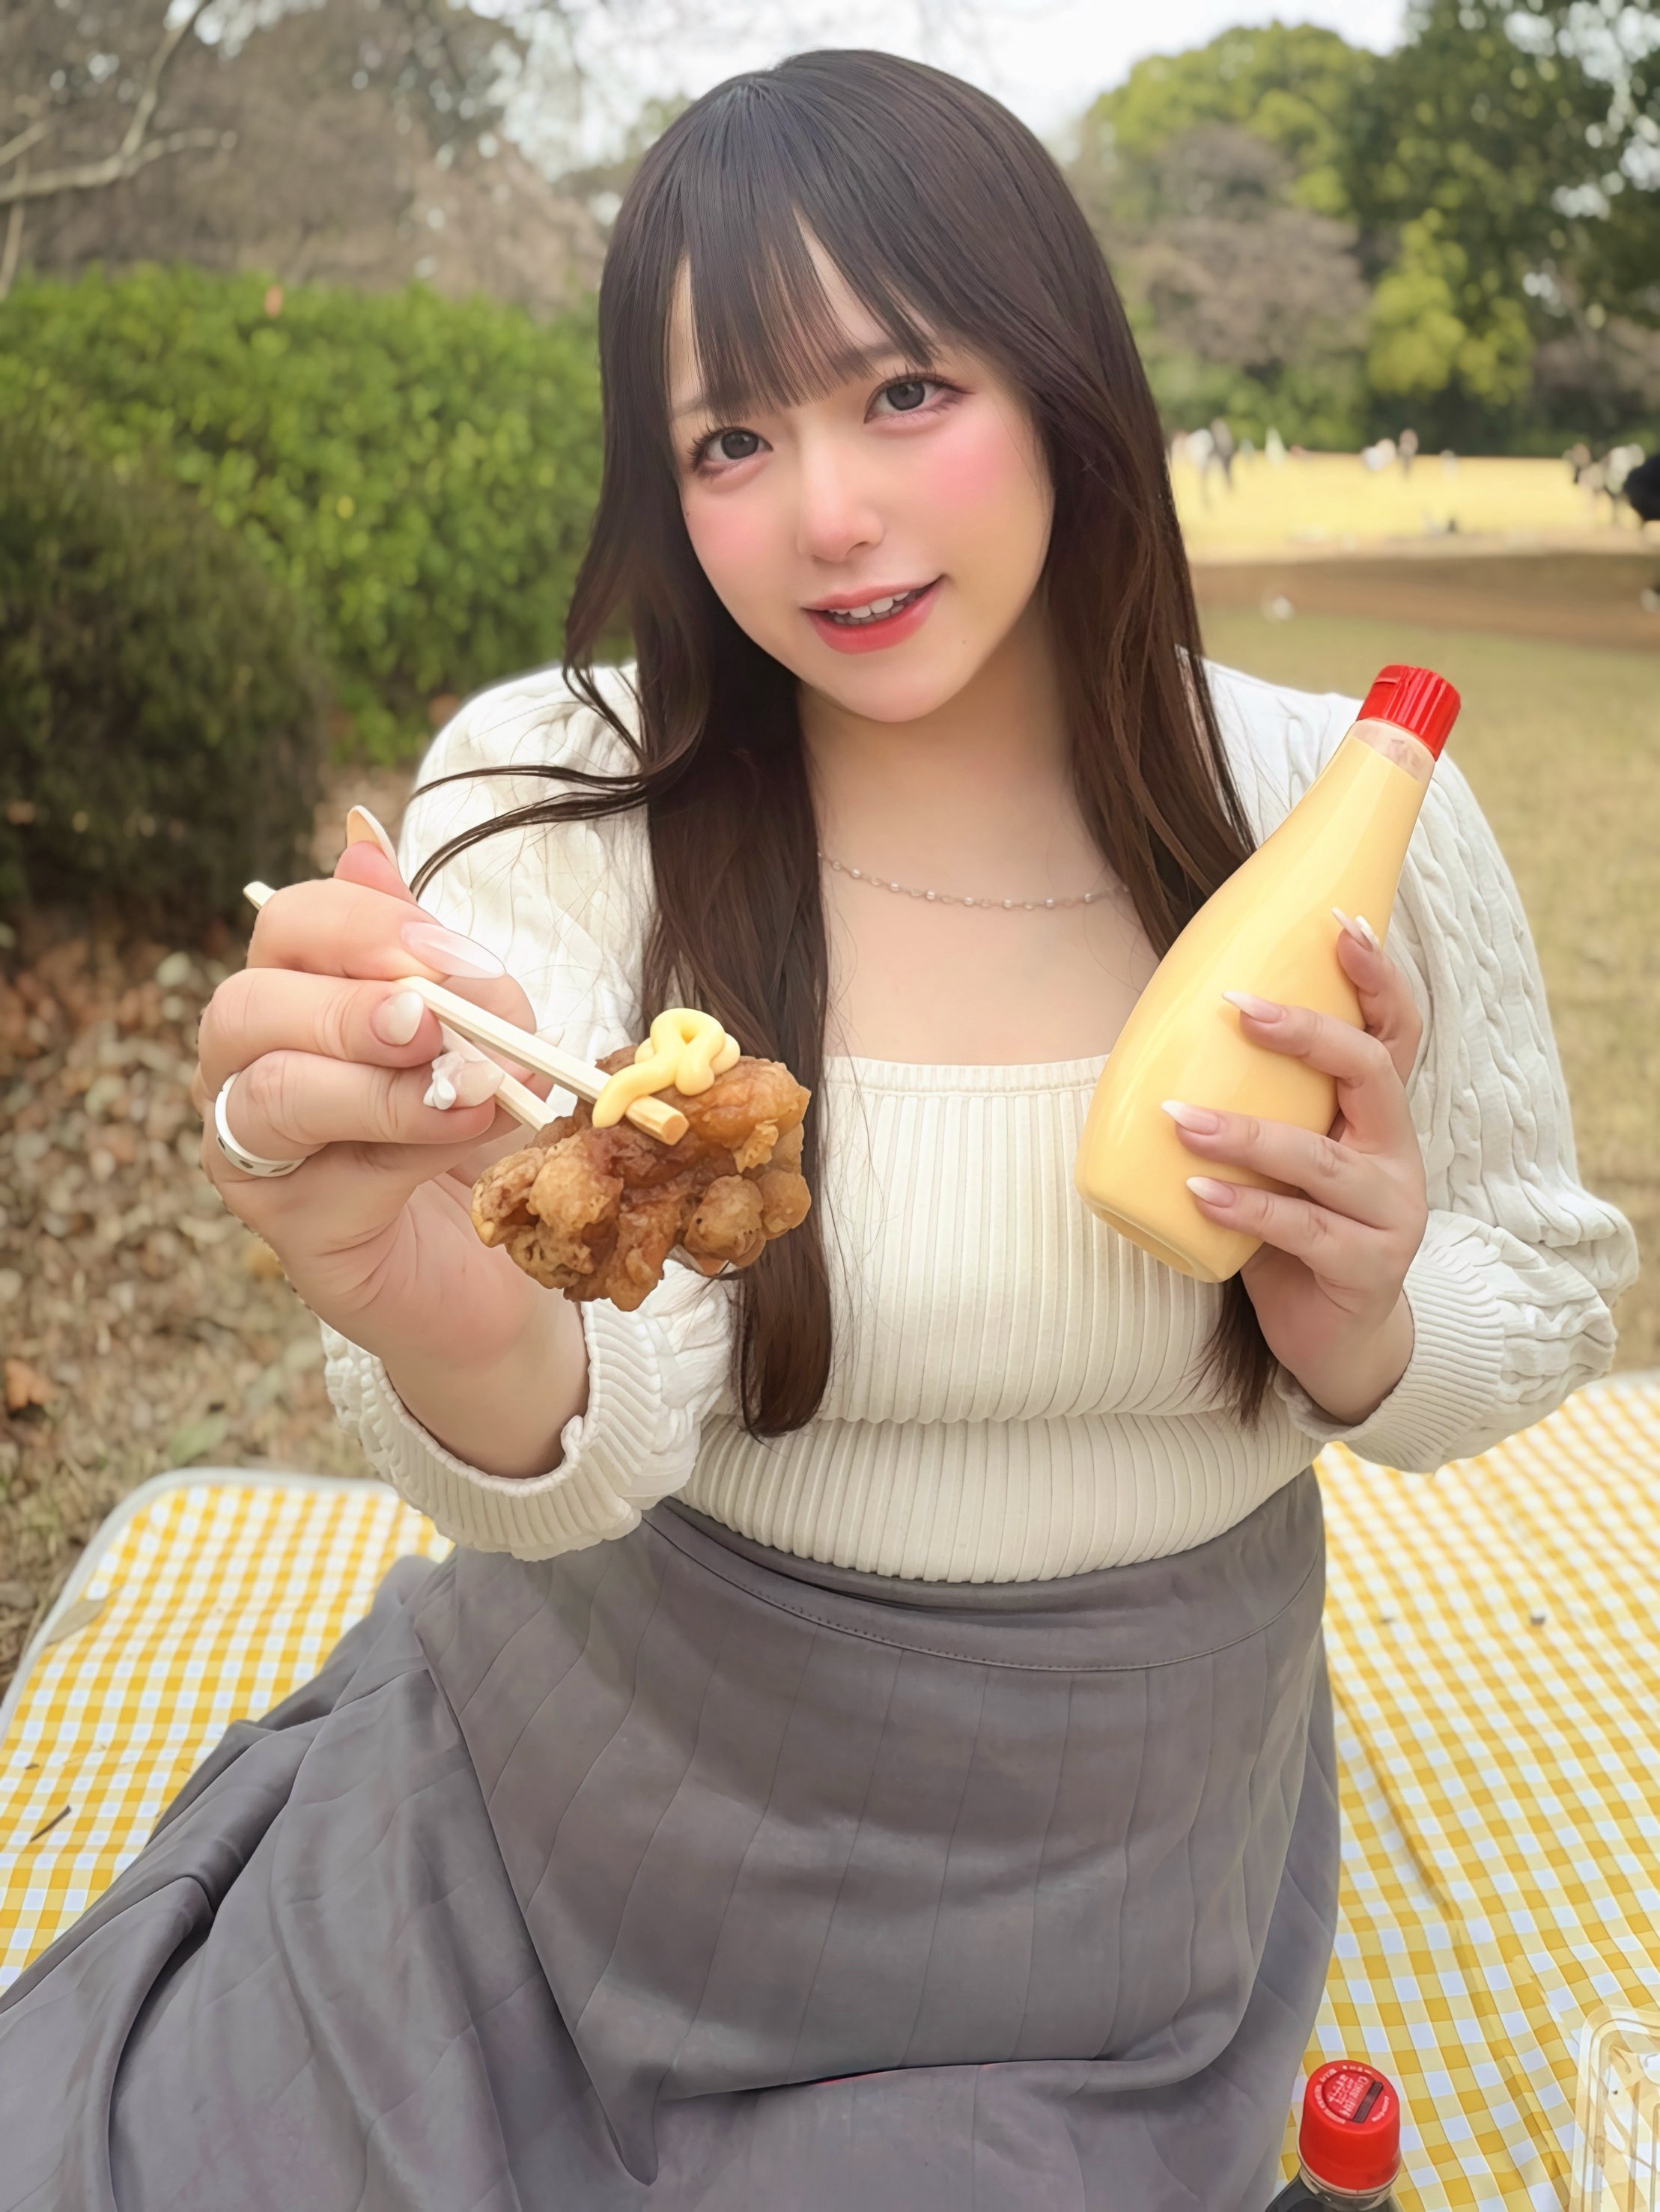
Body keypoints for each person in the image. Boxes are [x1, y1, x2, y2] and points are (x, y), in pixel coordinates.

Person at [0, 49, 1637, 2212]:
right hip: (584, 1775)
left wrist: (1370, 1324)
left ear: (1063, 379)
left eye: (903, 391)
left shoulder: (1337, 808)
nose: (827, 517)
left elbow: (1547, 1281)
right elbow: (604, 1418)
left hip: (1100, 1875)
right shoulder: (558, 798)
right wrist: (449, 1319)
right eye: (730, 440)